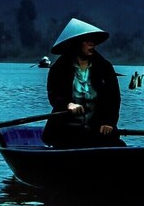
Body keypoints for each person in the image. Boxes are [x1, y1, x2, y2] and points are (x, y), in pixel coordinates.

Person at [43, 18, 125, 148]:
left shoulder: (104, 67)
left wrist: (109, 122)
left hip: (96, 129)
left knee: (118, 147)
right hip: (67, 130)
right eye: (87, 41)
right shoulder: (59, 68)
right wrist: (67, 105)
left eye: (93, 41)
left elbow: (113, 98)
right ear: (77, 43)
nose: (92, 44)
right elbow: (54, 94)